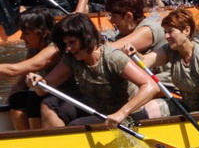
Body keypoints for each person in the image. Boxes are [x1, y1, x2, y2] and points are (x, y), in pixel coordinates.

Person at [25, 13, 160, 128]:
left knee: (76, 126)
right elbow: (43, 89)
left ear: (87, 38)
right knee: (50, 103)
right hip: (100, 112)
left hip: (128, 116)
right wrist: (36, 82)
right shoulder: (71, 58)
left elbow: (151, 86)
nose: (68, 48)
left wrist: (122, 113)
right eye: (65, 44)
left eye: (72, 42)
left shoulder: (112, 57)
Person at [126, 8, 199, 148]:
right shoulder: (171, 50)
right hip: (188, 105)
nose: (166, 36)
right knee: (148, 109)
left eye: (171, 31)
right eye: (165, 32)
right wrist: (133, 53)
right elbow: (145, 61)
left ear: (186, 31)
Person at [1, 9, 65, 130]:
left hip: (69, 96)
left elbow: (14, 70)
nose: (21, 37)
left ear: (43, 32)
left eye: (26, 33)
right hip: (46, 92)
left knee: (34, 98)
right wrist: (12, 95)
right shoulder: (34, 47)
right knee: (17, 98)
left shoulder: (55, 49)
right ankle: (23, 139)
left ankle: (36, 138)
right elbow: (22, 78)